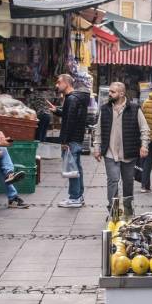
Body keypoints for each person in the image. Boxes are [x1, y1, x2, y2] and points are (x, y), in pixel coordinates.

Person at [93, 82, 150, 217]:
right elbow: (98, 130)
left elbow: (145, 129)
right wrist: (97, 147)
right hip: (110, 153)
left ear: (122, 93)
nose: (110, 94)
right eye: (110, 91)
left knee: (128, 182)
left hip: (129, 153)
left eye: (113, 92)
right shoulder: (105, 109)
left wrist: (144, 145)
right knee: (113, 180)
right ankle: (114, 212)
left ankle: (128, 211)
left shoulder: (134, 109)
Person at [46, 74, 90, 208]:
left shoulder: (71, 99)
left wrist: (64, 141)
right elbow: (70, 115)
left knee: (72, 168)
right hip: (76, 138)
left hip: (72, 139)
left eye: (59, 82)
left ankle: (74, 197)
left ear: (66, 83)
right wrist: (58, 111)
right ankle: (78, 196)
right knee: (76, 168)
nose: (57, 85)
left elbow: (70, 121)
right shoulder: (76, 98)